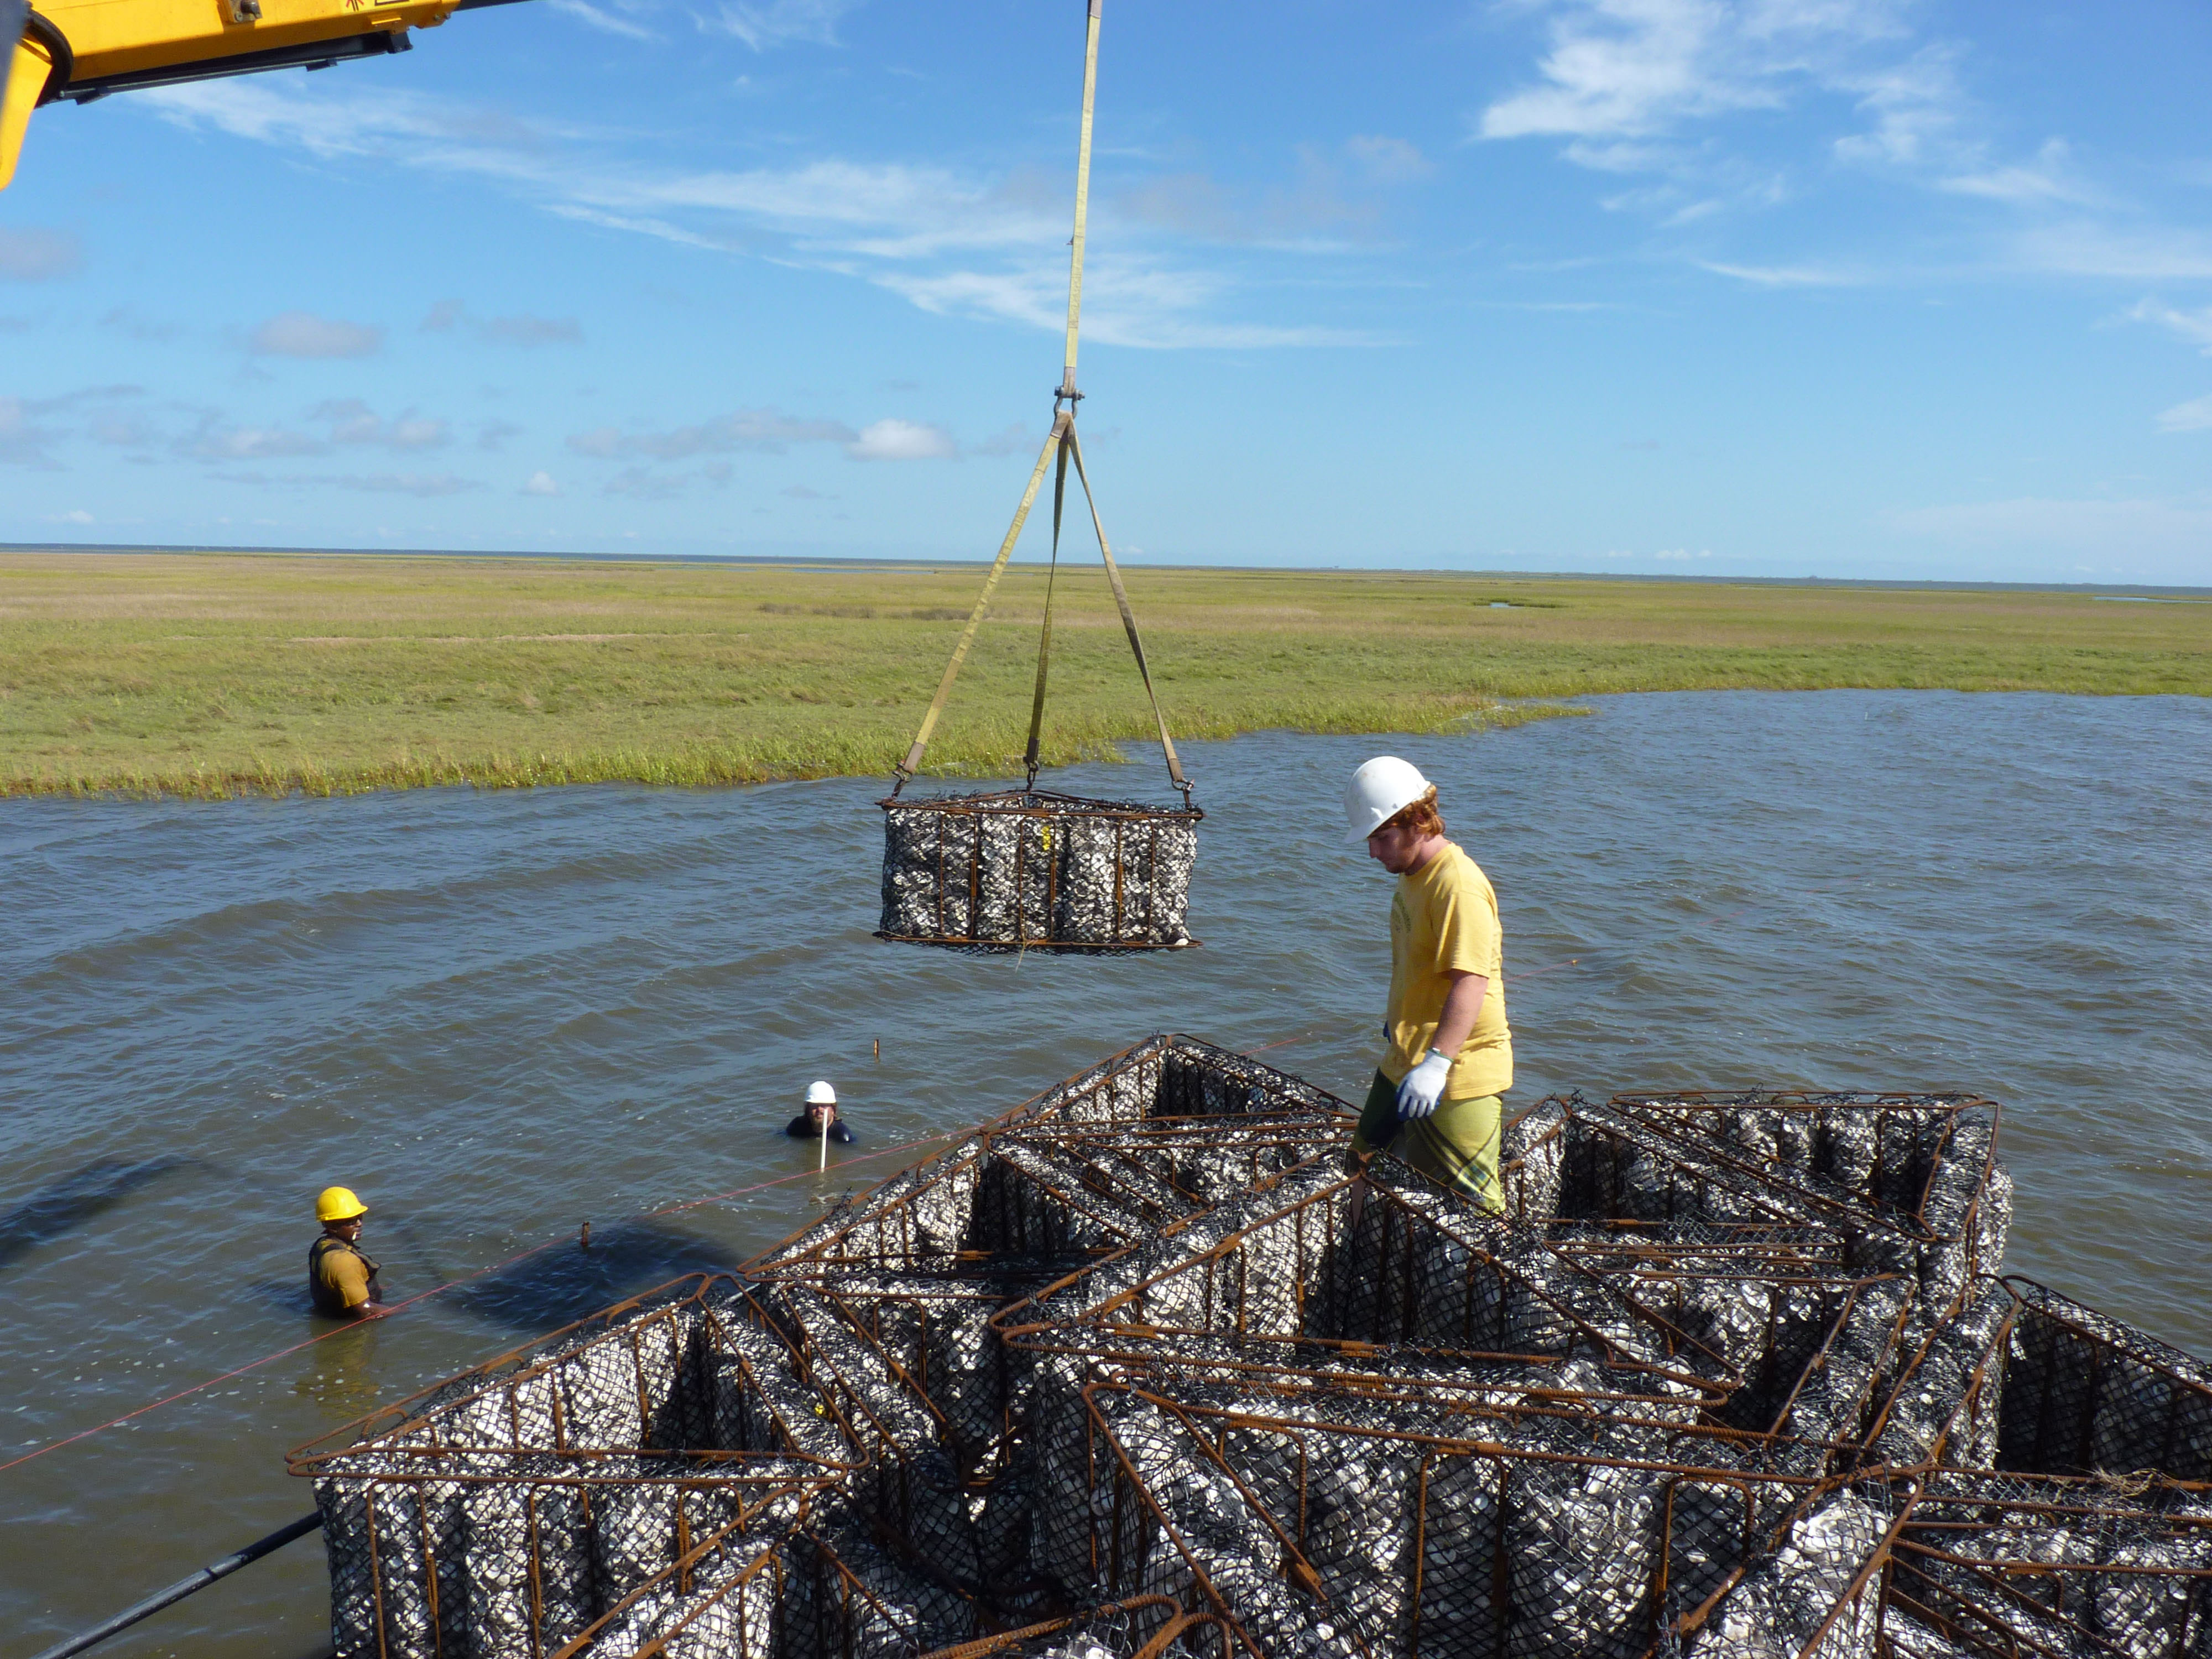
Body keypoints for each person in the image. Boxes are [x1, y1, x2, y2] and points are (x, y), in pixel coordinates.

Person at [1343, 757, 1512, 1215]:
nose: (1374, 853)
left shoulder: (1457, 886)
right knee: (1362, 1163)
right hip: (1405, 1059)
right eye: (1371, 839)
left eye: (1382, 837)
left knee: (1476, 1206)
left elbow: (1471, 980)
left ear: (1419, 820)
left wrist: (1438, 1063)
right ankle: (1360, 1261)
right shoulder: (1412, 875)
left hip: (1460, 1072)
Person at [309, 1186, 387, 1319]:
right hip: (352, 1323)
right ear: (332, 1227)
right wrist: (406, 1311)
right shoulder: (344, 1262)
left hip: (328, 1310)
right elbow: (366, 1310)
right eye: (351, 1221)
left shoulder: (321, 1245)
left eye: (359, 1217)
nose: (359, 1224)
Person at [784, 1080, 856, 1144]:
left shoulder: (843, 1136)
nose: (819, 1110)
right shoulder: (797, 1127)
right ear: (808, 1110)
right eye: (814, 1106)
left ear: (833, 1110)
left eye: (824, 1105)